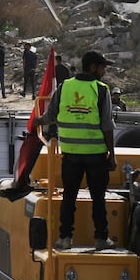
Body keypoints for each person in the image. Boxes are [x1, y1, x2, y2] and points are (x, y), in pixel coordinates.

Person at [32, 50, 116, 250]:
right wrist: (112, 155)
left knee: (69, 197)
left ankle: (65, 239)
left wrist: (38, 120)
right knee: (98, 198)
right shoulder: (101, 90)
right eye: (103, 67)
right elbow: (107, 126)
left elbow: (50, 115)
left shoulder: (64, 87)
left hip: (70, 154)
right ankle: (101, 239)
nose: (104, 71)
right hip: (95, 155)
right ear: (93, 67)